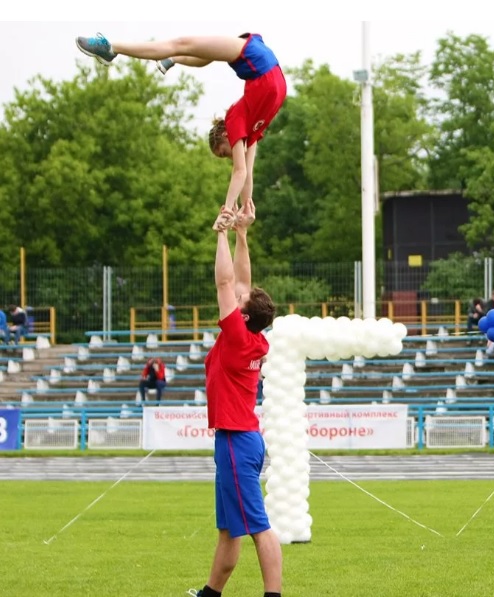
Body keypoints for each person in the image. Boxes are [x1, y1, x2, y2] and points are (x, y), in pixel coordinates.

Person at [75, 32, 287, 222]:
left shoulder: (235, 122)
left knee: (185, 45)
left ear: (224, 134)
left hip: (255, 59)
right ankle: (142, 53)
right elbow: (247, 173)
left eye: (224, 152)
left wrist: (229, 209)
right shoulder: (250, 131)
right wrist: (245, 208)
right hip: (260, 65)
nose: (231, 155)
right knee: (198, 51)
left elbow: (241, 172)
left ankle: (123, 50)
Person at [190, 198, 281, 597]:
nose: (237, 297)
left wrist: (223, 233)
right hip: (240, 439)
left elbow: (227, 283)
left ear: (242, 315)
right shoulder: (254, 338)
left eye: (241, 303)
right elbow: (241, 284)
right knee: (229, 527)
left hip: (236, 441)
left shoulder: (237, 338)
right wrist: (243, 235)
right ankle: (210, 594)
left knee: (258, 525)